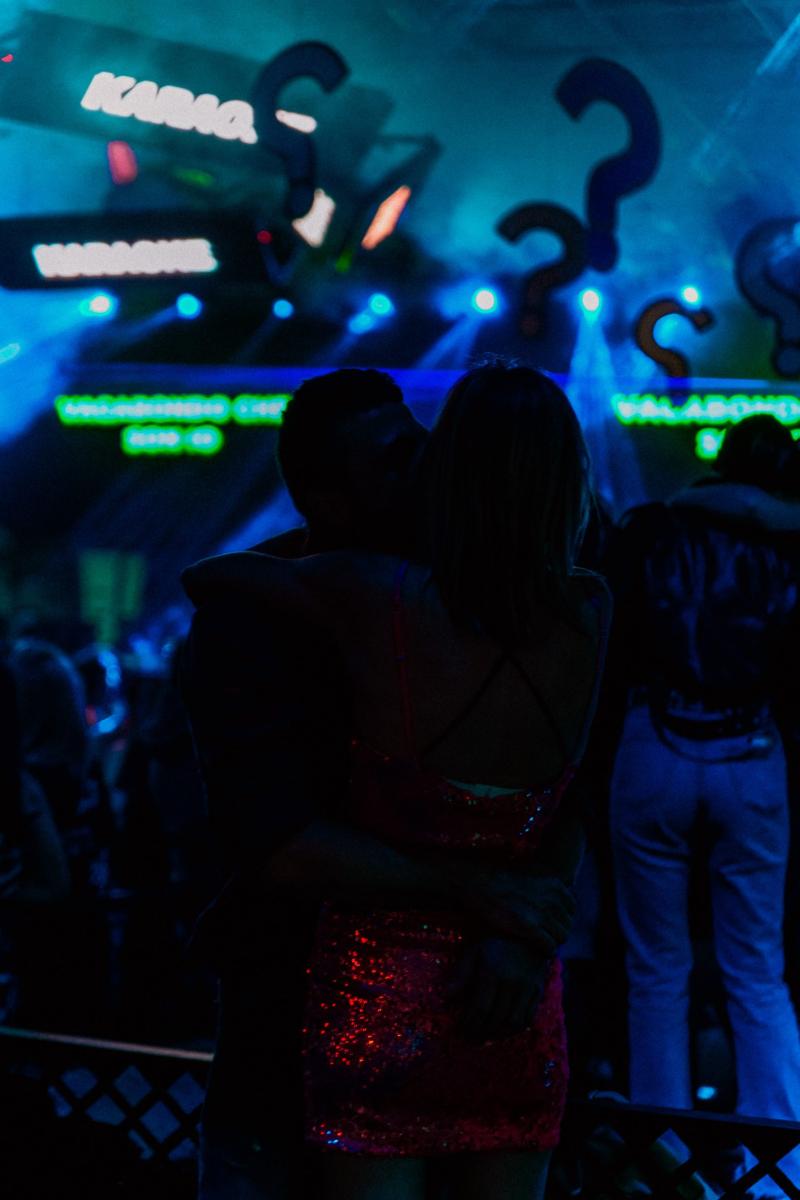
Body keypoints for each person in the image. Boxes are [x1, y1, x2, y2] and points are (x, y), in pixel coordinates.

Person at [183, 362, 611, 1200]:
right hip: (293, 1010)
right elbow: (279, 845)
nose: (425, 468)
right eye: (394, 460)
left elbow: (578, 792)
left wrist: (521, 929)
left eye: (424, 445)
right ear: (325, 498)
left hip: (447, 1003)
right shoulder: (258, 629)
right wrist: (495, 901)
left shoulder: (448, 594)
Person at [606, 415, 800, 1193]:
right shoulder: (788, 540)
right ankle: (779, 1174)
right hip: (750, 750)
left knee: (657, 972)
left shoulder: (656, 527)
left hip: (654, 741)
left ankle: (663, 1166)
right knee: (757, 972)